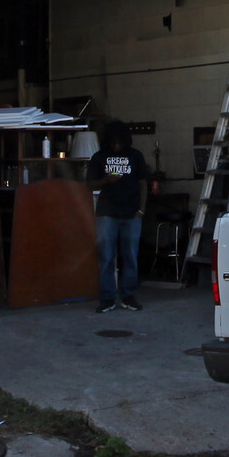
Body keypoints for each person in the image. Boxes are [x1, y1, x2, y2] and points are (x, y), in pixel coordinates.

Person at [87, 120, 149, 314]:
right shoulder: (99, 157)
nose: (115, 145)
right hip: (107, 213)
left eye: (118, 141)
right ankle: (107, 298)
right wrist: (107, 180)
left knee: (130, 256)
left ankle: (128, 296)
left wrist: (141, 210)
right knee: (106, 257)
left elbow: (143, 184)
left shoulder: (135, 156)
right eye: (112, 141)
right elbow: (90, 184)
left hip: (131, 213)